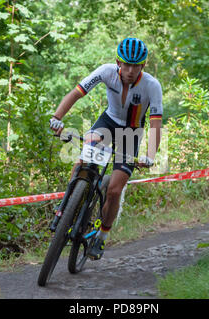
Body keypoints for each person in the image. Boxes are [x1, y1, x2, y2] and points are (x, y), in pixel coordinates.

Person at [49, 37, 163, 260]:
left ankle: (101, 237)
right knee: (81, 161)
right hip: (108, 122)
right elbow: (76, 93)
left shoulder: (151, 85)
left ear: (143, 65)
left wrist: (150, 155)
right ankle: (67, 207)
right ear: (118, 62)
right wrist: (57, 117)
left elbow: (155, 123)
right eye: (126, 64)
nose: (130, 70)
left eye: (136, 65)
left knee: (114, 191)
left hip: (131, 132)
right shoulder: (106, 71)